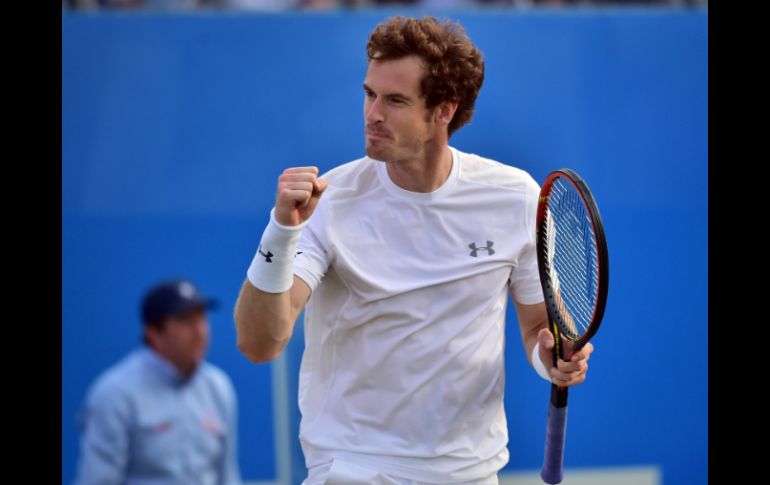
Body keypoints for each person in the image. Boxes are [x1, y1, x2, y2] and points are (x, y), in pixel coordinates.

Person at [235, 16, 594, 485]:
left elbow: (536, 329)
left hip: (471, 471)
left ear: (444, 110)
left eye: (395, 100)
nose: (372, 114)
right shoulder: (331, 201)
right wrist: (280, 230)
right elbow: (260, 343)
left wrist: (551, 360)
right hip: (354, 467)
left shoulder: (516, 197)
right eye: (369, 94)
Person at [74, 279, 241, 485]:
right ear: (153, 333)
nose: (199, 331)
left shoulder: (218, 387)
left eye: (201, 318)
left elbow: (227, 476)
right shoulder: (114, 394)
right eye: (186, 320)